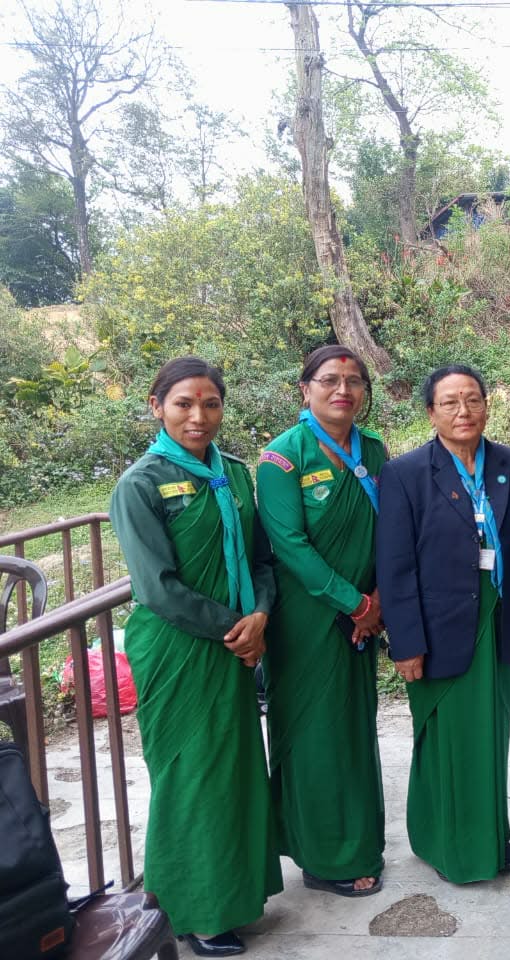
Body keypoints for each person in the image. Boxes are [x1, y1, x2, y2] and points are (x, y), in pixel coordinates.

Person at [109, 357, 280, 957]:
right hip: (179, 648)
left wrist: (261, 614)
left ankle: (233, 895)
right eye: (183, 403)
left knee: (234, 772)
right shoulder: (140, 484)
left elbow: (260, 558)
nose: (198, 416)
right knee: (189, 775)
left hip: (236, 640)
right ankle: (192, 913)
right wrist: (239, 627)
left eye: (210, 404)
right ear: (157, 406)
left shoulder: (232, 473)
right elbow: (157, 587)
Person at [377, 365, 510, 883]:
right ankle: (447, 845)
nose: (463, 411)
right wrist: (405, 642)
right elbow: (395, 564)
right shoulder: (405, 473)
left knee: (490, 735)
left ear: (487, 405)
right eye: (449, 402)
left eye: (473, 399)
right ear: (431, 413)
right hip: (436, 628)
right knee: (446, 740)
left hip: (498, 617)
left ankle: (489, 837)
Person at [256, 345, 386, 897]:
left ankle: (358, 841)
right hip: (308, 620)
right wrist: (354, 603)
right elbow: (289, 545)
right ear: (305, 389)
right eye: (329, 380)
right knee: (314, 734)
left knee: (354, 727)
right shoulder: (282, 458)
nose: (343, 391)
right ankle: (321, 856)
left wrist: (379, 598)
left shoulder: (373, 450)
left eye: (353, 382)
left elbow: (391, 530)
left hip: (366, 614)